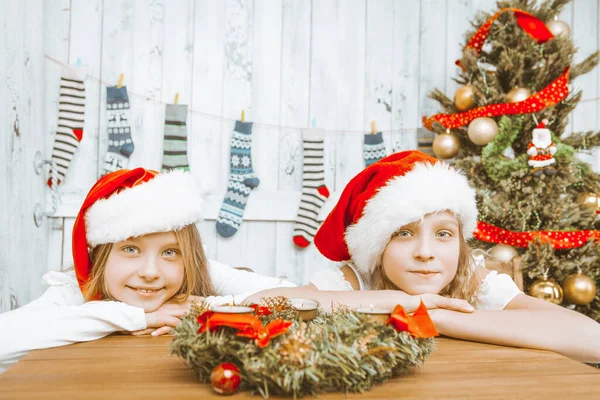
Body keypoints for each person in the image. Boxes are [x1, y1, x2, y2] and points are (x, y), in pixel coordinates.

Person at [245, 151, 600, 363]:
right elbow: (258, 303)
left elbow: (591, 340)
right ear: (377, 246)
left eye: (443, 234)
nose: (426, 252)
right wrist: (400, 303)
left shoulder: (472, 279)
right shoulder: (356, 280)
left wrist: (437, 317)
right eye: (404, 233)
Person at [0, 168, 295, 373]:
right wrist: (140, 317)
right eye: (131, 249)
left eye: (169, 252)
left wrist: (202, 308)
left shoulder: (190, 272)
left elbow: (295, 296)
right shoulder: (73, 291)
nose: (151, 272)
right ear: (101, 256)